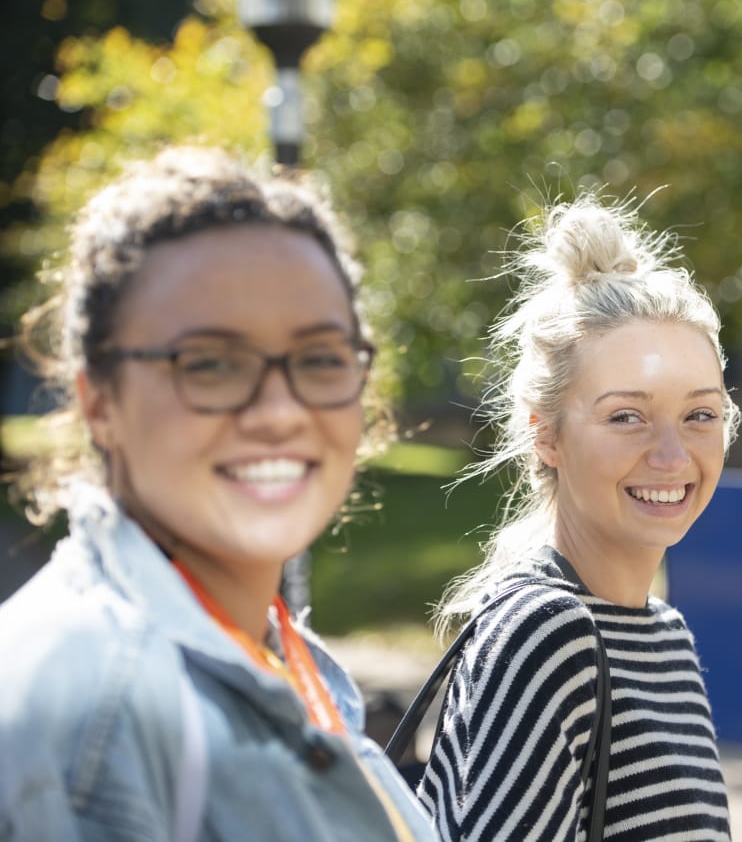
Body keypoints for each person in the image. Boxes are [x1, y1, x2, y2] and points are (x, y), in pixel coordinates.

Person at [0, 147, 437, 841]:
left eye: (320, 358)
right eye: (210, 364)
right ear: (100, 401)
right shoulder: (91, 715)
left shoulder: (273, 652)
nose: (279, 410)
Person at [417, 195, 742, 840]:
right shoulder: (548, 635)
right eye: (627, 416)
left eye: (699, 414)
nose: (672, 455)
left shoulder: (665, 635)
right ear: (547, 435)